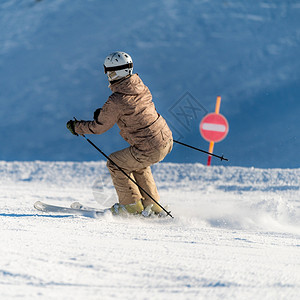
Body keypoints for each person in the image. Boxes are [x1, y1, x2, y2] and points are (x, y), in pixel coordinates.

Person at [66, 51, 173, 215]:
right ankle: (153, 206)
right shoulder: (141, 88)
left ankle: (131, 206)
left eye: (108, 71)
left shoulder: (117, 99)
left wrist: (77, 127)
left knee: (115, 163)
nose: (108, 75)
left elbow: (98, 127)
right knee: (138, 165)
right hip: (165, 139)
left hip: (149, 146)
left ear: (114, 72)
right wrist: (105, 114)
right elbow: (133, 111)